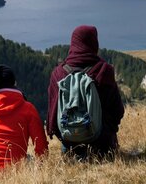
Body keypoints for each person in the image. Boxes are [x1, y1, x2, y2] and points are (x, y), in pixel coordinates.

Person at [47, 25, 125, 159]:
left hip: (70, 144)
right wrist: (109, 132)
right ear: (94, 43)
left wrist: (67, 136)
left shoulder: (58, 74)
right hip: (103, 145)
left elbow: (53, 115)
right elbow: (117, 110)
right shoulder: (104, 71)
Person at [0, 64, 48, 175]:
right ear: (14, 84)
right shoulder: (28, 108)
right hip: (16, 167)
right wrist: (41, 168)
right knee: (29, 159)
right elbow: (41, 145)